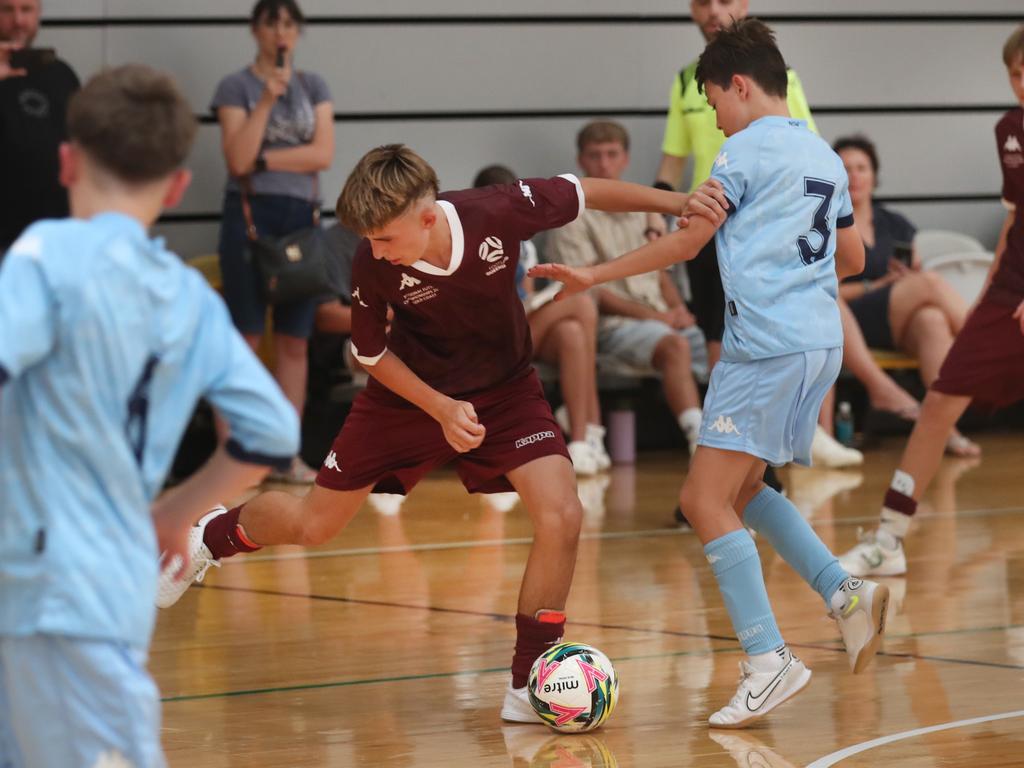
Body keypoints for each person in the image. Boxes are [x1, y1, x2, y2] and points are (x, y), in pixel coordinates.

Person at [156, 144, 697, 721]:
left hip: (506, 390)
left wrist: (680, 201)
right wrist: (440, 407)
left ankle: (526, 682)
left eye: (387, 238)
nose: (377, 251)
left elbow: (587, 191)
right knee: (316, 524)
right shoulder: (373, 262)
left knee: (563, 514)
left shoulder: (496, 211)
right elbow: (370, 351)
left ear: (430, 216)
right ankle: (211, 536)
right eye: (370, 240)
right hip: (406, 397)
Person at [533, 19, 888, 728]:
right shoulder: (822, 154)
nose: (714, 118)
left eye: (712, 103)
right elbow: (852, 259)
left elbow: (685, 242)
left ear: (740, 86)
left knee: (702, 500)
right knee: (747, 487)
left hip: (763, 346)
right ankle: (845, 594)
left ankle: (768, 659)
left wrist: (591, 275)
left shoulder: (741, 153)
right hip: (819, 346)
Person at [0, 65, 298, 768]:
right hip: (108, 574)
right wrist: (173, 514)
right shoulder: (185, 296)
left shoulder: (44, 254)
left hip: (44, 573)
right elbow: (273, 434)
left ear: (67, 161)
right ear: (176, 187)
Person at [838, 25, 1024, 578]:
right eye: (1015, 74)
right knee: (940, 402)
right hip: (1008, 296)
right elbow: (1015, 220)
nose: (1021, 83)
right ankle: (890, 539)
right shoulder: (1010, 129)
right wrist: (992, 291)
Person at [654, 0, 816, 372]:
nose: (712, 11)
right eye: (701, 3)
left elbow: (808, 149)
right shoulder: (685, 80)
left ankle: (812, 431)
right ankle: (720, 424)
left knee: (786, 332)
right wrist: (654, 218)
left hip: (767, 222)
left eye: (724, 0)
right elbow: (672, 162)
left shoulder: (779, 77)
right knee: (717, 329)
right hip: (709, 216)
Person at [212, 0, 333, 482]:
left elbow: (323, 153)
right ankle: (235, 455)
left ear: (298, 32)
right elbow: (238, 160)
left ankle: (285, 454)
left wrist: (267, 160)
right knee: (242, 338)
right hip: (249, 217)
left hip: (301, 219)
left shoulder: (314, 86)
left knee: (295, 341)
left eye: (289, 23)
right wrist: (264, 102)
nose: (280, 33)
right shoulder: (235, 87)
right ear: (255, 30)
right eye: (271, 23)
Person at [547, 120, 708, 455]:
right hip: (612, 326)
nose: (604, 164)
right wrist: (661, 319)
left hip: (660, 318)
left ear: (625, 158)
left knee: (730, 349)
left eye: (611, 154)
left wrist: (679, 311)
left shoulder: (643, 208)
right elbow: (585, 290)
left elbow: (662, 272)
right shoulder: (569, 217)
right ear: (581, 161)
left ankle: (754, 444)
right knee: (674, 347)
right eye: (595, 156)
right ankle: (701, 442)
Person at [833, 134, 980, 458]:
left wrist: (905, 280)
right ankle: (983, 345)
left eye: (862, 168)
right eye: (846, 168)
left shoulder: (895, 223)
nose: (855, 175)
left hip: (895, 315)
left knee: (932, 319)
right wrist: (881, 284)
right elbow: (822, 290)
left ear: (874, 175)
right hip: (850, 315)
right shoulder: (827, 223)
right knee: (928, 283)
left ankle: (943, 427)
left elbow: (913, 272)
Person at [474, 163, 610, 475]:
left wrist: (532, 304)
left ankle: (578, 441)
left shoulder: (523, 245)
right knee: (583, 305)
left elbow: (524, 294)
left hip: (521, 329)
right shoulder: (472, 243)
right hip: (490, 339)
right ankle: (592, 427)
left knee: (572, 333)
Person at [0, 0, 79, 252]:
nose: (18, 21)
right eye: (6, 9)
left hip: (55, 237)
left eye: (26, 10)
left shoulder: (61, 73)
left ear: (39, 13)